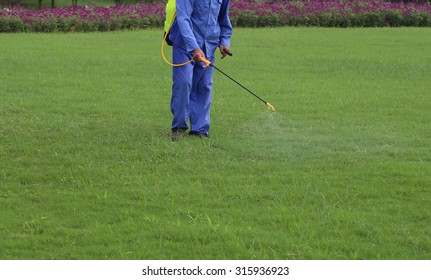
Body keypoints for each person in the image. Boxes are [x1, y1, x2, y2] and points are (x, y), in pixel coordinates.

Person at [168, 0, 233, 141]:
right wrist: (194, 47)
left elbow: (223, 17)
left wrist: (224, 41)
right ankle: (178, 127)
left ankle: (200, 129)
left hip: (208, 44)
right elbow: (183, 18)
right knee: (183, 82)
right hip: (184, 44)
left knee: (204, 86)